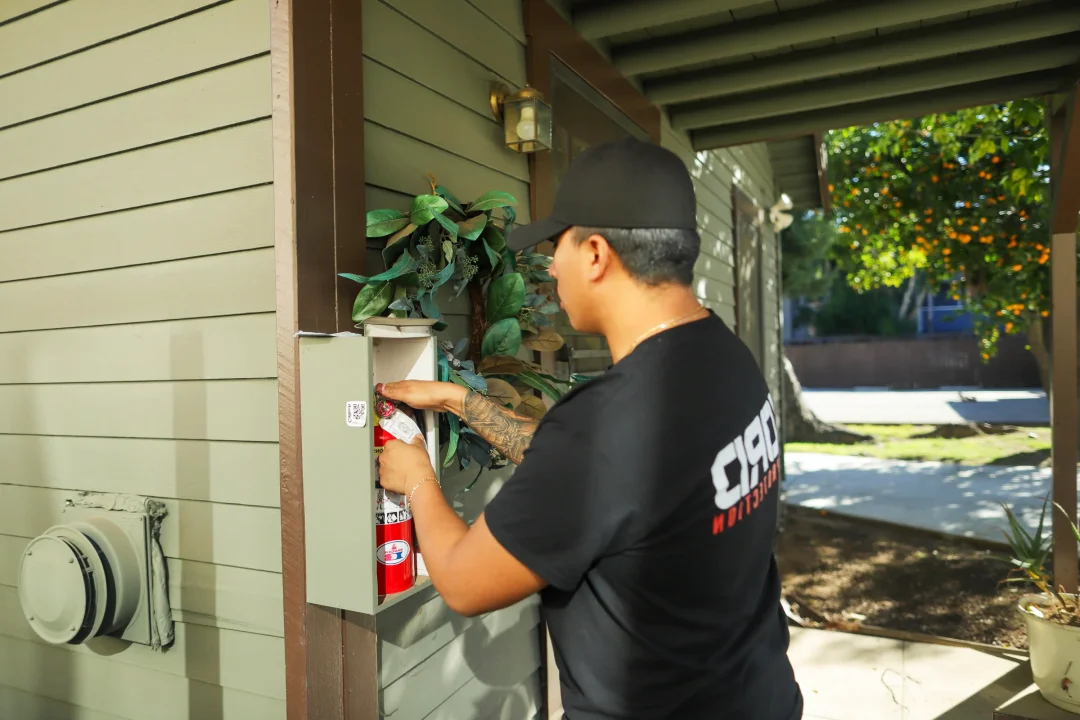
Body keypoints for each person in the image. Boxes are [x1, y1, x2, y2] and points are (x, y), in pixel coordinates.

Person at [376, 135, 803, 720]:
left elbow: (463, 582)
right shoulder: (725, 357)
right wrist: (460, 400)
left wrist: (417, 478)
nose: (550, 267)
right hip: (760, 696)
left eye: (558, 245)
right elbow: (606, 480)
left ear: (597, 254)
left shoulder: (605, 424)